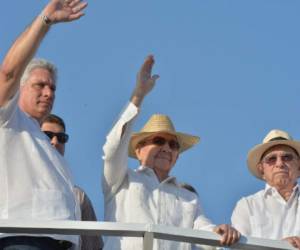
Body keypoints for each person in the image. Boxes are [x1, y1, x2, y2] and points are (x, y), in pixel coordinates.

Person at [102, 55, 240, 249]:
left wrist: (220, 231)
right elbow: (114, 148)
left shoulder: (188, 197)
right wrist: (138, 95)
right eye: (158, 141)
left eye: (174, 145)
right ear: (138, 149)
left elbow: (204, 229)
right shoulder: (121, 180)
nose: (167, 148)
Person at [0, 0, 87, 249]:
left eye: (53, 88)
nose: (49, 93)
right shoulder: (8, 120)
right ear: (20, 88)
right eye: (40, 85)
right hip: (22, 242)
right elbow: (8, 72)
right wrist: (45, 20)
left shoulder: (50, 149)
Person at [41, 114, 104, 250]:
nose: (55, 141)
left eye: (61, 138)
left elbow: (92, 245)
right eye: (47, 135)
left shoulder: (78, 196)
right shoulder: (17, 186)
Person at [231, 129, 300, 249]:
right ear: (261, 169)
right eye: (272, 159)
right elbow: (239, 248)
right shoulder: (247, 205)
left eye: (287, 157)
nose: (280, 163)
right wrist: (280, 247)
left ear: (299, 167)